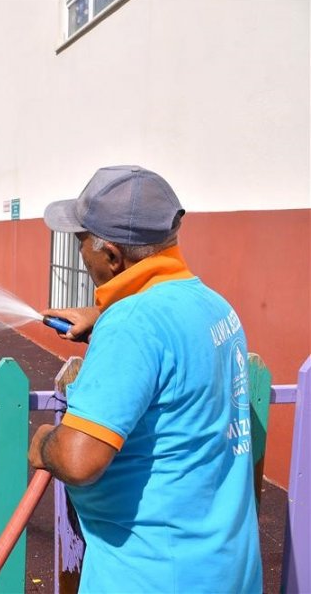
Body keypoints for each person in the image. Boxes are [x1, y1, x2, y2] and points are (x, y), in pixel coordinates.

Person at [30, 166, 262, 592]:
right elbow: (172, 350)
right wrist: (103, 317)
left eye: (82, 241)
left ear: (113, 256)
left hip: (150, 573)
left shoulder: (133, 325)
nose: (81, 254)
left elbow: (80, 462)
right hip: (224, 569)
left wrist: (45, 442)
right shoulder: (213, 305)